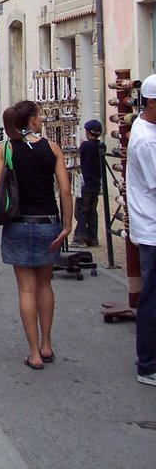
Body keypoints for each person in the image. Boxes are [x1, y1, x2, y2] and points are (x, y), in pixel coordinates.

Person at [0, 102, 72, 370]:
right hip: (48, 221)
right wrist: (67, 225)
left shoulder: (6, 148)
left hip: (19, 223)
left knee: (26, 289)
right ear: (33, 121)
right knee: (45, 285)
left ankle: (34, 352)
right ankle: (47, 344)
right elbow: (65, 190)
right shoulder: (53, 148)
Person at [126, 74, 156, 385]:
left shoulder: (145, 127)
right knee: (152, 298)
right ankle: (147, 364)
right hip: (152, 228)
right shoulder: (147, 140)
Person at [72, 118, 104, 247]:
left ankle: (80, 238)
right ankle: (93, 237)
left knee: (81, 210)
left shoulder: (86, 145)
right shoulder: (101, 145)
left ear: (87, 132)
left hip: (85, 183)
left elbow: (80, 156)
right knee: (92, 210)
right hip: (96, 183)